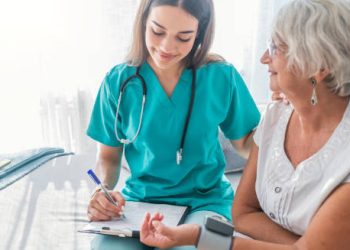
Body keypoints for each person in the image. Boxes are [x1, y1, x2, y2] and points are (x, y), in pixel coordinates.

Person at [139, 0, 350, 249]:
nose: (263, 58)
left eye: (276, 48)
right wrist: (303, 244)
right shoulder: (276, 116)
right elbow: (243, 214)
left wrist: (199, 236)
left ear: (319, 66)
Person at [86, 0, 260, 249]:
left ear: (199, 33)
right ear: (143, 22)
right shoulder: (118, 82)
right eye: (157, 31)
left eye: (184, 37)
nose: (167, 47)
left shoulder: (221, 77)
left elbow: (246, 144)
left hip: (206, 202)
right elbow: (109, 157)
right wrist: (102, 190)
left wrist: (288, 119)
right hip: (141, 203)